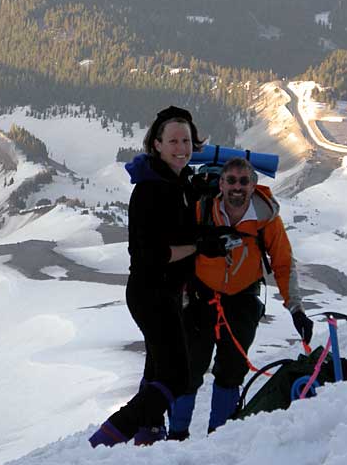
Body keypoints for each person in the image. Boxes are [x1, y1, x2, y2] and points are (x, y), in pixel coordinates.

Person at [89, 106, 228, 448]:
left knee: (159, 369)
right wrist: (199, 245)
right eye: (173, 141)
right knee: (177, 375)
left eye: (187, 140)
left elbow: (180, 224)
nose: (182, 147)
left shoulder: (173, 182)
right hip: (150, 293)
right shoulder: (151, 190)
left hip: (164, 293)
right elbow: (151, 253)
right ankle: (105, 440)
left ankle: (146, 435)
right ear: (157, 145)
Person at [167, 157, 314, 439]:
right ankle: (176, 437)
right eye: (231, 180)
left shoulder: (266, 219)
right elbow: (179, 249)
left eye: (244, 181)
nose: (237, 187)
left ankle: (219, 439)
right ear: (220, 183)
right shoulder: (202, 210)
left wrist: (296, 308)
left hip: (243, 302)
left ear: (254, 185)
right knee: (188, 370)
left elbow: (283, 263)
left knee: (231, 371)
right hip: (200, 299)